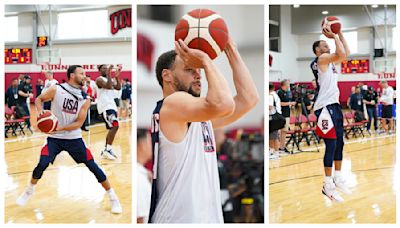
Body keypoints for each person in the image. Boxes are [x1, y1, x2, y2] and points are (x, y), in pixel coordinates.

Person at [149, 38, 259, 223]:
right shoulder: (173, 104)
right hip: (178, 220)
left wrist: (230, 49)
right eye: (190, 69)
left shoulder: (195, 116)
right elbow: (223, 103)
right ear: (166, 75)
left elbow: (249, 99)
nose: (198, 75)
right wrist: (206, 61)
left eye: (198, 69)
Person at [16, 65, 122, 213]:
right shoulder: (56, 89)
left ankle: (113, 197)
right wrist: (41, 114)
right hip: (54, 139)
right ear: (72, 75)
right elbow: (39, 99)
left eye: (85, 74)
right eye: (81, 73)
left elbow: (79, 123)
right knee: (42, 164)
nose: (85, 76)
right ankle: (29, 190)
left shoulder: (85, 98)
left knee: (93, 166)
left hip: (74, 138)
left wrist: (60, 128)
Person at [310, 25, 351, 202]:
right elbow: (341, 54)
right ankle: (327, 185)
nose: (328, 47)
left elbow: (345, 52)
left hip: (334, 105)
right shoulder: (322, 59)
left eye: (328, 45)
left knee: (340, 143)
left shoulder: (331, 61)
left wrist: (340, 34)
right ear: (317, 50)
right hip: (324, 108)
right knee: (331, 145)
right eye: (324, 45)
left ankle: (338, 178)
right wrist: (334, 36)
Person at [96, 64, 122, 160]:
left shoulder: (108, 79)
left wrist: (117, 76)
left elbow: (118, 87)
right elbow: (108, 86)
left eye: (107, 68)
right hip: (105, 106)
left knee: (113, 127)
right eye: (104, 68)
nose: (106, 69)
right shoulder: (99, 80)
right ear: (99, 70)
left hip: (111, 106)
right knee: (115, 125)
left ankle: (106, 150)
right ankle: (108, 149)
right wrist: (109, 74)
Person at [137, 128, 152, 223]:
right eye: (150, 142)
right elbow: (139, 220)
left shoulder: (142, 175)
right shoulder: (139, 179)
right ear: (143, 145)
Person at [276, 79, 295, 154]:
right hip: (281, 114)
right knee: (281, 131)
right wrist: (289, 103)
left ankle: (282, 146)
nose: (289, 85)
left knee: (285, 131)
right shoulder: (279, 92)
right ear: (284, 84)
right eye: (288, 84)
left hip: (287, 114)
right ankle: (279, 147)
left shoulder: (288, 92)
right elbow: (279, 103)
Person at [269, 83, 281, 160]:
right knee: (272, 136)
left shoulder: (270, 96)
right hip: (276, 117)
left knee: (274, 137)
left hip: (273, 118)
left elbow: (269, 107)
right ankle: (272, 151)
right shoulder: (275, 95)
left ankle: (276, 153)